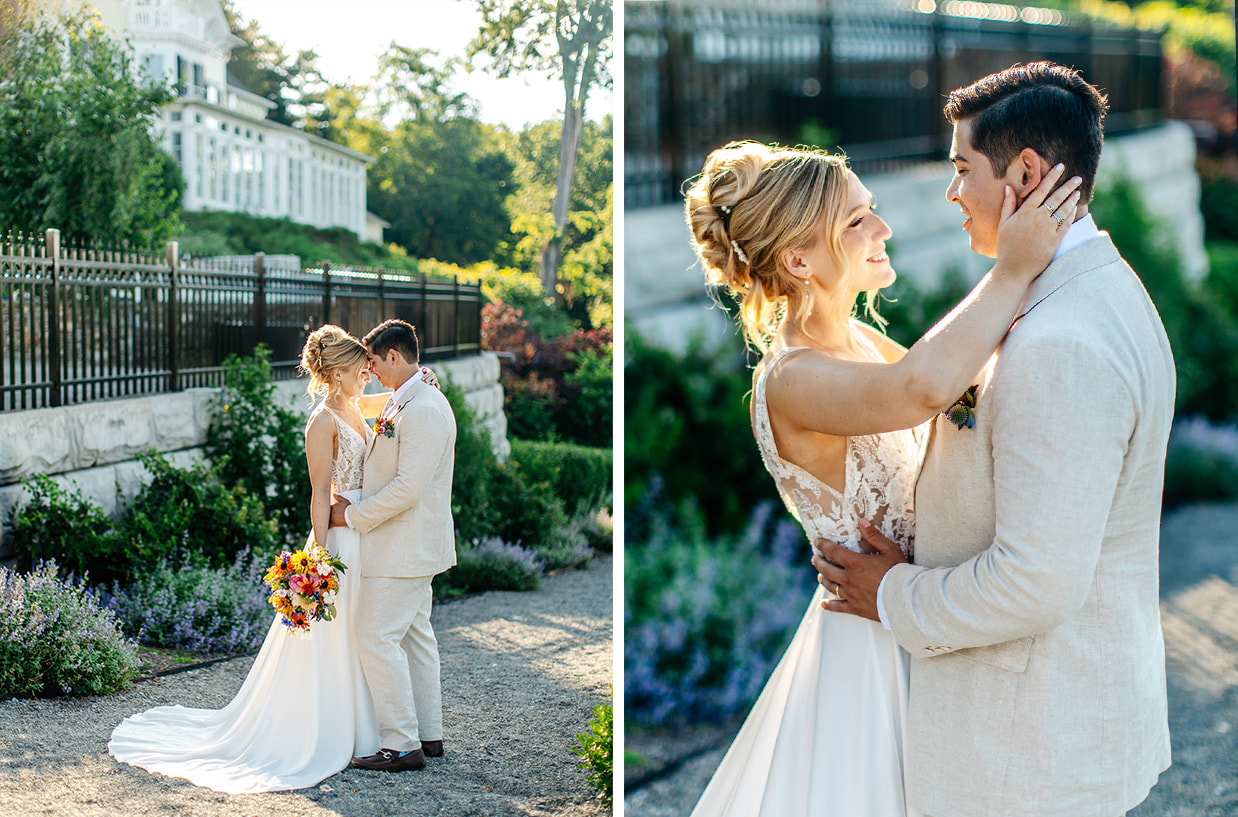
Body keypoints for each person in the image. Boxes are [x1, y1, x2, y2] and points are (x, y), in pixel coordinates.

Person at [813, 63, 1174, 817]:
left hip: (1030, 753)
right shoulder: (1099, 287)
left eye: (961, 168)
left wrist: (893, 593)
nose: (951, 193)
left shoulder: (1061, 341)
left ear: (1027, 173)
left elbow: (1035, 581)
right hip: (1048, 732)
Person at [681, 136, 1080, 817]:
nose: (883, 229)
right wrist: (1013, 268)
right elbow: (924, 387)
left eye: (873, 210)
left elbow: (966, 388)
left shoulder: (859, 343)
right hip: (865, 645)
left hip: (913, 613)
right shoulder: (792, 379)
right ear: (799, 259)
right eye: (857, 221)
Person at [108, 325, 383, 792]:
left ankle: (370, 724)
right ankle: (335, 732)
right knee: (335, 634)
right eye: (361, 372)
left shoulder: (356, 407)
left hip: (366, 532)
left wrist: (422, 389)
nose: (368, 379)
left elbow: (387, 417)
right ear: (337, 374)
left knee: (363, 630)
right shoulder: (321, 422)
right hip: (338, 540)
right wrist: (319, 559)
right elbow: (319, 495)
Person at [329, 318, 458, 773]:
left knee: (375, 635)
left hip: (404, 547)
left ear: (394, 357)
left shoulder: (423, 408)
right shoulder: (411, 397)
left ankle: (402, 746)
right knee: (415, 637)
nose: (372, 374)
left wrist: (352, 515)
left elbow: (408, 488)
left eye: (375, 364)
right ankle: (429, 733)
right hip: (412, 545)